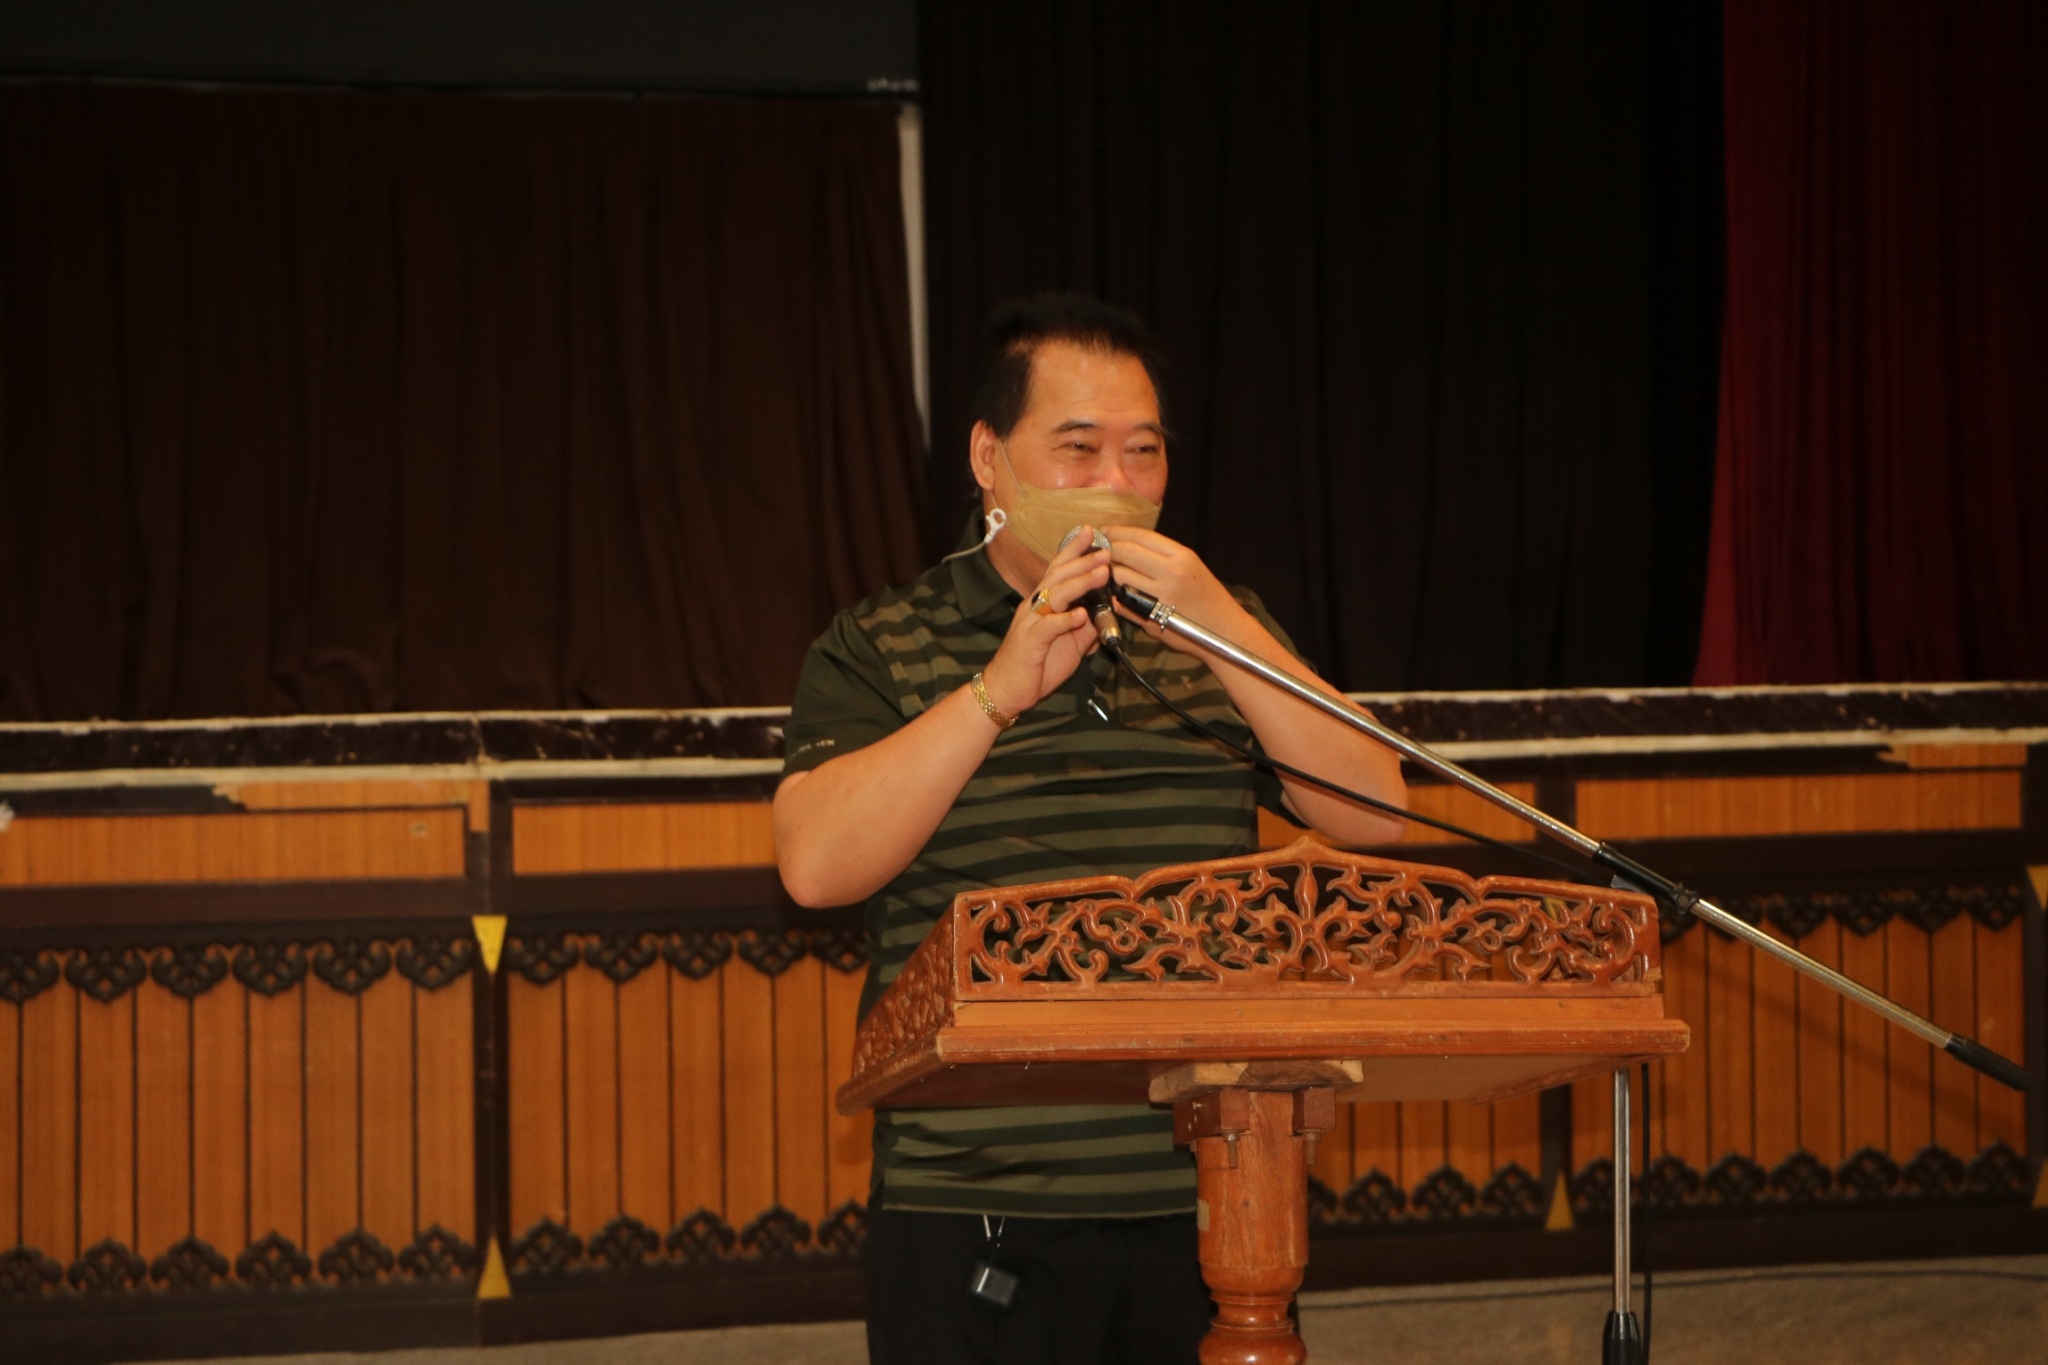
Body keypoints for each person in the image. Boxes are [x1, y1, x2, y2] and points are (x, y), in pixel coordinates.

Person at [774, 293, 1408, 1363]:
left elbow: (1376, 810)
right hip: (971, 1201)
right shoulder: (880, 642)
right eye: (1077, 449)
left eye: (1142, 452)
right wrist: (996, 692)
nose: (1117, 482)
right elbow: (814, 867)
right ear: (989, 458)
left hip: (1214, 1183)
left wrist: (1222, 624)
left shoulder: (1218, 634)